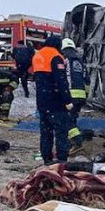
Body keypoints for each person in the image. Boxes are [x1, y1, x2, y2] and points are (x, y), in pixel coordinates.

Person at [32, 36, 74, 165]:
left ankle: (47, 158)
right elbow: (61, 80)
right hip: (56, 102)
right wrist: (68, 100)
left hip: (42, 102)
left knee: (46, 133)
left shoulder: (37, 56)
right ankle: (62, 160)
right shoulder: (56, 57)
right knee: (61, 132)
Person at [60, 37, 88, 155]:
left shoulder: (65, 62)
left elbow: (62, 79)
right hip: (81, 96)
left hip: (70, 96)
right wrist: (85, 95)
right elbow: (87, 81)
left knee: (67, 121)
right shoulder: (81, 63)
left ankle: (77, 143)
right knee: (73, 118)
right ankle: (73, 141)